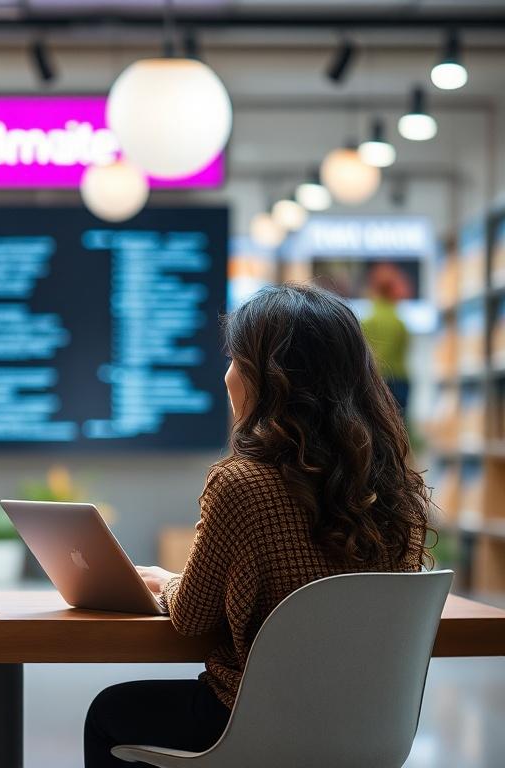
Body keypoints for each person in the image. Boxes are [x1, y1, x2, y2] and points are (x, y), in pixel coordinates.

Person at [84, 283, 433, 766]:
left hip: (256, 723)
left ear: (268, 380)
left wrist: (168, 584)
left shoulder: (242, 484)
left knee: (109, 712)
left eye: (235, 360)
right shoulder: (393, 487)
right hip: (372, 728)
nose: (226, 374)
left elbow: (191, 618)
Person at [360, 262, 412, 413]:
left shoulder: (367, 321)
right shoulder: (399, 322)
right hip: (399, 379)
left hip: (374, 379)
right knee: (398, 421)